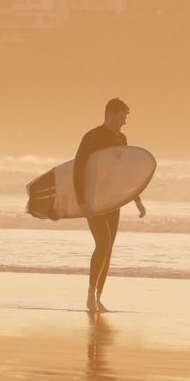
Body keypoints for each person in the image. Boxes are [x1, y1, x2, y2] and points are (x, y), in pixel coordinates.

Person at [74, 98, 146, 313]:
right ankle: (90, 294)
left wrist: (137, 199)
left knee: (109, 248)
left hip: (113, 201)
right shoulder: (92, 137)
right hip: (94, 199)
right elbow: (78, 169)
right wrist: (81, 201)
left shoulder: (121, 139)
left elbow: (125, 173)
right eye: (122, 117)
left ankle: (98, 297)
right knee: (103, 244)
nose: (125, 122)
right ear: (111, 114)